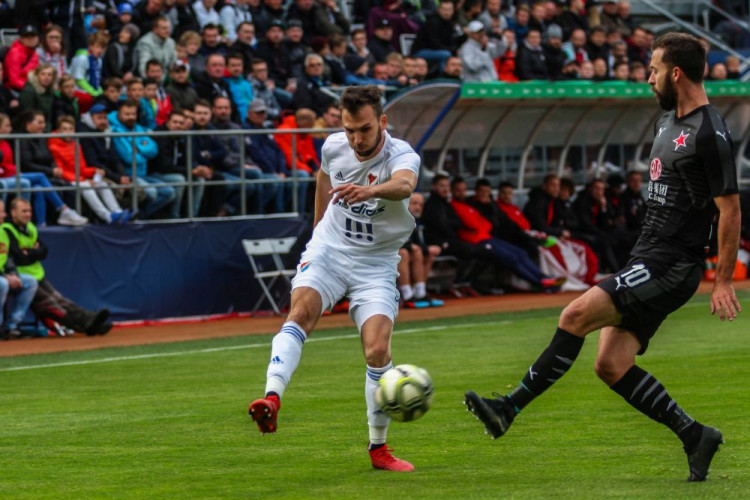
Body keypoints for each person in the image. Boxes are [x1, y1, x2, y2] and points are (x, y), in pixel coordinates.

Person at [464, 33, 741, 483]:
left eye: (653, 70)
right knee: (610, 365)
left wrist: (723, 279)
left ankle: (508, 408)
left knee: (574, 315)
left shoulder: (710, 133)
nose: (647, 79)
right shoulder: (666, 123)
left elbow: (730, 209)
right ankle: (695, 435)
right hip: (647, 256)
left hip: (672, 264)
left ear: (675, 73)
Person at [248, 85, 422, 472]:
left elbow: (405, 185)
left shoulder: (402, 154)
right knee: (300, 314)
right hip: (329, 249)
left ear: (382, 121)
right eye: (349, 130)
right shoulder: (333, 146)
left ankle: (379, 449)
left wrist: (369, 190)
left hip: (376, 261)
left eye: (364, 129)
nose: (356, 139)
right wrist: (316, 233)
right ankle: (271, 399)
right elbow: (322, 180)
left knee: (377, 350)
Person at [3, 198, 112, 335]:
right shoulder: (7, 230)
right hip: (21, 277)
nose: (28, 214)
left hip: (37, 274)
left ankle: (90, 320)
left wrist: (29, 252)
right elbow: (18, 256)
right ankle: (86, 325)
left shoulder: (30, 228)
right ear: (13, 212)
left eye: (29, 211)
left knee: (59, 299)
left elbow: (43, 251)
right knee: (50, 303)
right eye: (24, 211)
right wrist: (33, 252)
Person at [48, 116, 131, 224]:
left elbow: (82, 168)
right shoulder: (54, 146)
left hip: (79, 178)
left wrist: (94, 170)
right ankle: (107, 216)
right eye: (64, 129)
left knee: (102, 183)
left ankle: (118, 212)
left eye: (70, 129)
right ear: (59, 130)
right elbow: (61, 172)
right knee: (86, 186)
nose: (68, 132)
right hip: (67, 179)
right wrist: (82, 180)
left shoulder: (76, 144)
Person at [15, 111, 89, 226]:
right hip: (28, 175)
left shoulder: (43, 138)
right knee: (41, 181)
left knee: (47, 188)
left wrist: (55, 168)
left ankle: (43, 224)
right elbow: (26, 164)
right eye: (39, 122)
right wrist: (51, 171)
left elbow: (50, 158)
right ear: (28, 124)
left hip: (45, 175)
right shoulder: (22, 140)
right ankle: (63, 210)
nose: (43, 126)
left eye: (44, 122)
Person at [109, 100, 176, 218]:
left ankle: (141, 215)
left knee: (169, 192)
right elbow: (129, 158)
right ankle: (136, 216)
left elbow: (154, 150)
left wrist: (138, 148)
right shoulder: (115, 131)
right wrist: (143, 150)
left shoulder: (138, 128)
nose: (131, 117)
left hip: (144, 174)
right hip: (129, 175)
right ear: (119, 114)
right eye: (127, 114)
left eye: (133, 114)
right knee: (151, 192)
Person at [0, 199, 38, 340]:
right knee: (2, 284)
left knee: (30, 282)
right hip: (1, 277)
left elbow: (7, 258)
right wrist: (5, 276)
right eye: (1, 212)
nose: (4, 215)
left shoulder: (2, 232)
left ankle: (11, 326)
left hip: (3, 274)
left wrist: (12, 274)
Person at [398, 192, 443, 308]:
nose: (418, 207)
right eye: (415, 203)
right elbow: (393, 240)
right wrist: (411, 246)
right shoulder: (397, 217)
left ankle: (420, 292)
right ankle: (406, 294)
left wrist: (428, 249)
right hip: (389, 254)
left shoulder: (415, 221)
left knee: (427, 254)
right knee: (404, 253)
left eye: (421, 205)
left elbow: (418, 243)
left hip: (406, 254)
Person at [69, 31, 110, 99]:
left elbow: (97, 78)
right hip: (76, 90)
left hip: (90, 91)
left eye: (103, 48)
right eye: (97, 47)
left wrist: (99, 91)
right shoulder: (82, 58)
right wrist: (93, 92)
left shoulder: (99, 60)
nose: (100, 50)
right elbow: (79, 80)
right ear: (90, 46)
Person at [18, 64, 57, 132]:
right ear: (37, 75)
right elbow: (27, 115)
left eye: (49, 75)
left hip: (45, 129)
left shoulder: (50, 92)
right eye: (43, 74)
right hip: (31, 130)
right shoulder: (29, 91)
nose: (46, 77)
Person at [2, 24, 40, 92]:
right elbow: (13, 80)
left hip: (30, 87)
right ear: (21, 38)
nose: (31, 39)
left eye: (33, 36)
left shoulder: (34, 53)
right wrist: (32, 89)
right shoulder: (15, 53)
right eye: (27, 36)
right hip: (14, 90)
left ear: (37, 38)